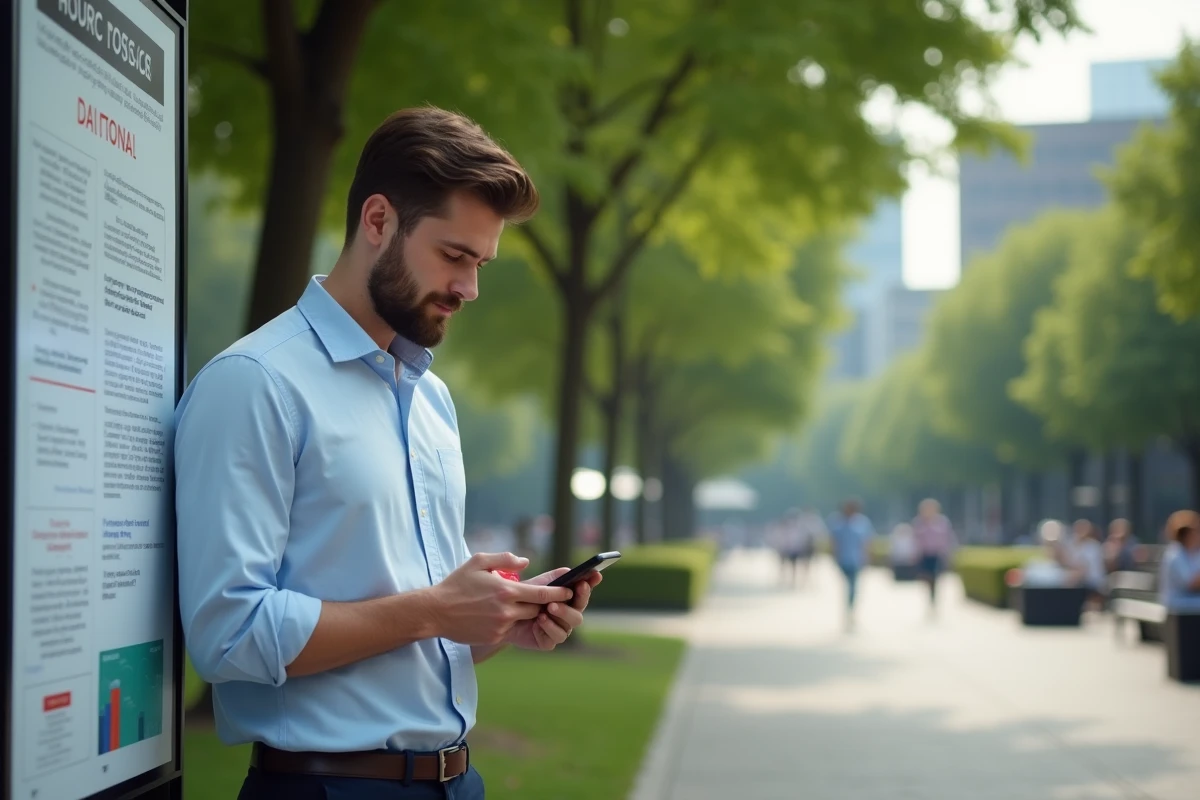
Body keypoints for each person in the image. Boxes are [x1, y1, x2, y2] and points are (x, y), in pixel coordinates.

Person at [175, 107, 601, 800]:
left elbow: (409, 625)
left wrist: (494, 623)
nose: (470, 288)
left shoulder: (432, 403)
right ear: (378, 221)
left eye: (481, 262)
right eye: (455, 255)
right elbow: (228, 634)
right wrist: (434, 610)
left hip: (456, 783)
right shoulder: (254, 384)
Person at [827, 499, 874, 630]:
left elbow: (867, 541)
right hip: (843, 560)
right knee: (848, 586)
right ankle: (848, 609)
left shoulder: (862, 522)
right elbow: (833, 542)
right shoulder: (837, 522)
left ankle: (850, 611)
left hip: (857, 560)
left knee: (853, 587)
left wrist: (868, 557)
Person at [912, 498, 956, 615]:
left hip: (937, 554)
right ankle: (930, 595)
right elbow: (916, 540)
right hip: (924, 554)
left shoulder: (942, 522)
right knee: (926, 577)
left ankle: (934, 599)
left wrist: (949, 554)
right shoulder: (919, 522)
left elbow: (948, 539)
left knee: (935, 577)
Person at [1159, 510, 1200, 612]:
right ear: (1188, 534)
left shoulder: (1194, 552)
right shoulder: (1175, 553)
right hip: (1179, 608)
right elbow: (1191, 583)